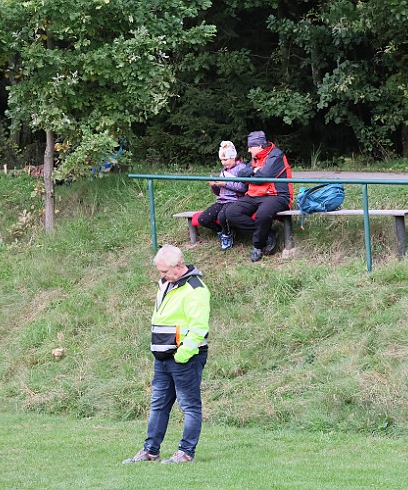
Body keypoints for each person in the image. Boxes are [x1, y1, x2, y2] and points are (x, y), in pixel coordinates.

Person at [122, 245, 210, 464]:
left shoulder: (195, 289)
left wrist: (182, 354)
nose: (160, 276)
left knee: (189, 406)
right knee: (158, 404)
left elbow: (199, 328)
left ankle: (186, 452)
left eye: (164, 271)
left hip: (184, 358)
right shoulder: (165, 284)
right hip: (162, 358)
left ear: (179, 266)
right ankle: (151, 450)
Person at [225, 131, 293, 262]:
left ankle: (258, 246)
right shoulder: (256, 157)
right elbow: (241, 174)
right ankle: (268, 234)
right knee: (231, 212)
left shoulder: (276, 155)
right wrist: (253, 171)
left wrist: (253, 175)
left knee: (262, 214)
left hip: (277, 195)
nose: (249, 150)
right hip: (255, 195)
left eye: (251, 147)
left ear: (259, 146)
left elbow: (262, 177)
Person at [197, 141, 248, 250]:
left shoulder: (242, 168)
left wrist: (225, 183)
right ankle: (222, 231)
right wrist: (214, 185)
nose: (223, 163)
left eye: (225, 160)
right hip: (221, 200)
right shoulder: (223, 170)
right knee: (203, 219)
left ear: (233, 157)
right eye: (221, 160)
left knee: (222, 216)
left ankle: (227, 234)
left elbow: (244, 188)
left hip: (235, 201)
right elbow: (218, 192)